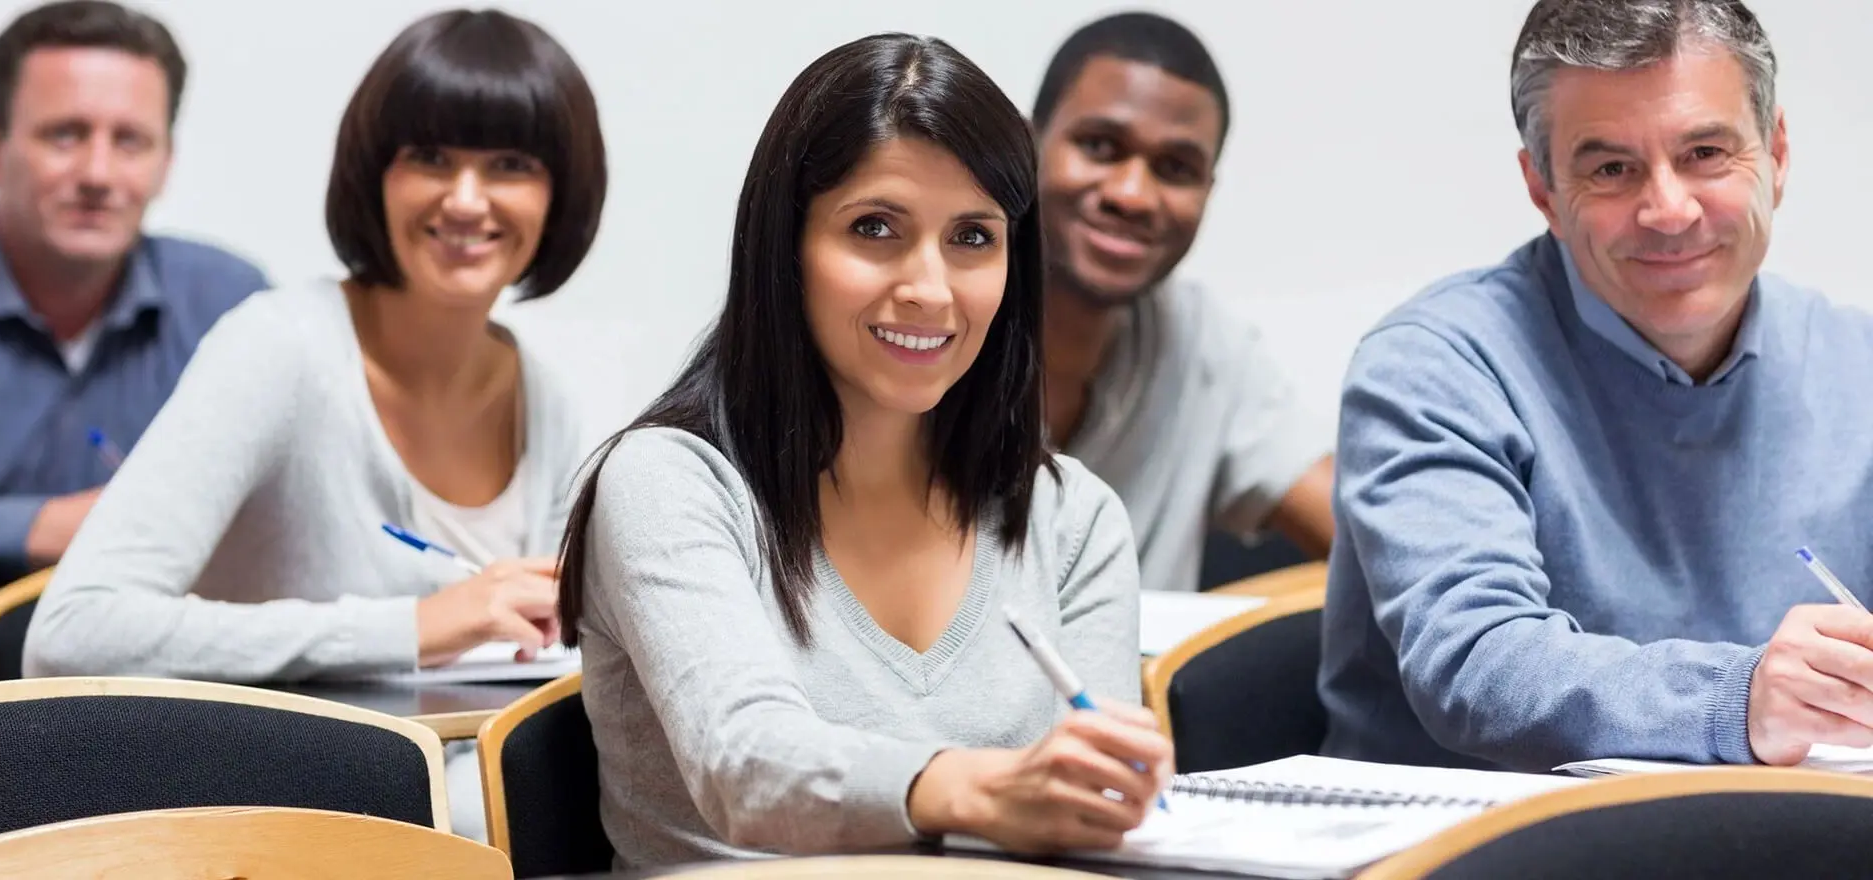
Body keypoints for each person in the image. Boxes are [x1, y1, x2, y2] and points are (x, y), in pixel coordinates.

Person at [556, 32, 1172, 868]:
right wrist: (984, 792)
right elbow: (750, 769)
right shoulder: (669, 483)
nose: (929, 287)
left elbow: (1087, 821)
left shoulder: (1073, 516)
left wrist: (1104, 791)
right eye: (875, 227)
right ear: (786, 248)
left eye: (972, 237)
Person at [20, 8, 605, 840]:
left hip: (462, 814)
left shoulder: (542, 391)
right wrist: (410, 628)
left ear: (560, 194)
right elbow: (75, 632)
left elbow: (542, 677)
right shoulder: (280, 348)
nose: (467, 199)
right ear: (376, 176)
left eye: (510, 164)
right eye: (430, 157)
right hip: (273, 820)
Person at [1319, 0, 1873, 772]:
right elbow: (1477, 664)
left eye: (1707, 152)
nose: (1669, 210)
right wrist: (1739, 698)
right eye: (1611, 168)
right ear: (1542, 189)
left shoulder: (1860, 362)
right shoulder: (1437, 364)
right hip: (1485, 846)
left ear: (1776, 156)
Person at [0, 0, 267, 594]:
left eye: (130, 141)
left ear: (165, 163)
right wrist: (44, 527)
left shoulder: (230, 305)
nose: (98, 173)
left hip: (158, 675)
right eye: (65, 135)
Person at [1029, 12, 1334, 593]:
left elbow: (1369, 533)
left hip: (1143, 685)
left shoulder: (1197, 338)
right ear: (1025, 143)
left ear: (1208, 192)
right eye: (1100, 146)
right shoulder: (932, 324)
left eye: (1175, 168)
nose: (1132, 194)